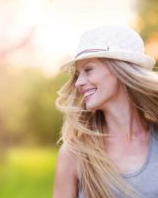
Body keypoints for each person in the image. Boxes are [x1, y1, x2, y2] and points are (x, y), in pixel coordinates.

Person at [52, 25, 158, 198]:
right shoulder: (73, 155)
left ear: (119, 70)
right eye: (78, 74)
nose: (78, 82)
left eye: (88, 70)